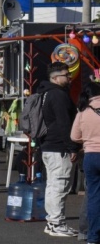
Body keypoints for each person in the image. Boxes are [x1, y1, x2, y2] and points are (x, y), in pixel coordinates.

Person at [38, 61, 80, 237]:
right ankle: (56, 223)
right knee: (60, 186)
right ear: (55, 78)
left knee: (53, 185)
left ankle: (53, 222)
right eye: (66, 74)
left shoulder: (46, 93)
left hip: (49, 145)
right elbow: (64, 124)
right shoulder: (58, 95)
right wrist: (72, 147)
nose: (69, 77)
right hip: (59, 148)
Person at [71, 82, 100, 243]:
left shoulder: (83, 112)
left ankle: (93, 236)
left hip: (90, 156)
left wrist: (88, 139)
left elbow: (74, 137)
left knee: (94, 196)